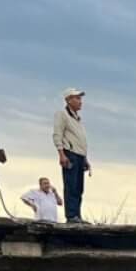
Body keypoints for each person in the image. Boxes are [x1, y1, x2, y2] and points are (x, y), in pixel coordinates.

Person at [53, 88, 89, 223]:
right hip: (70, 154)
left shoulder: (78, 119)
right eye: (77, 98)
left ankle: (77, 215)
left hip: (80, 155)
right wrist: (61, 154)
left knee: (79, 188)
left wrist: (85, 158)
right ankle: (71, 215)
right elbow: (57, 134)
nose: (80, 102)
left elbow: (80, 140)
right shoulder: (62, 114)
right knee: (71, 186)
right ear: (68, 100)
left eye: (80, 98)